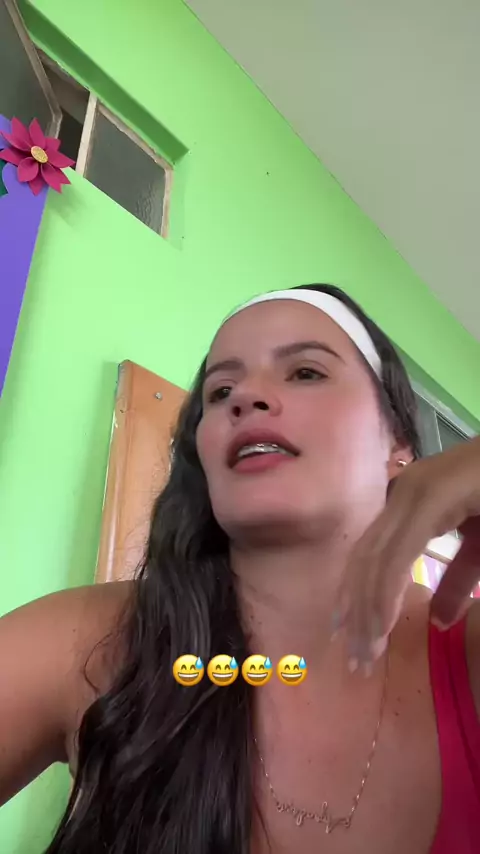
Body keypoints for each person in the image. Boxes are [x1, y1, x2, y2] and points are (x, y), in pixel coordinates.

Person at [0, 284, 479, 854]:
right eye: (221, 390)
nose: (245, 397)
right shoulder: (88, 640)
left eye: (305, 372)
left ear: (398, 441)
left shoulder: (467, 652)